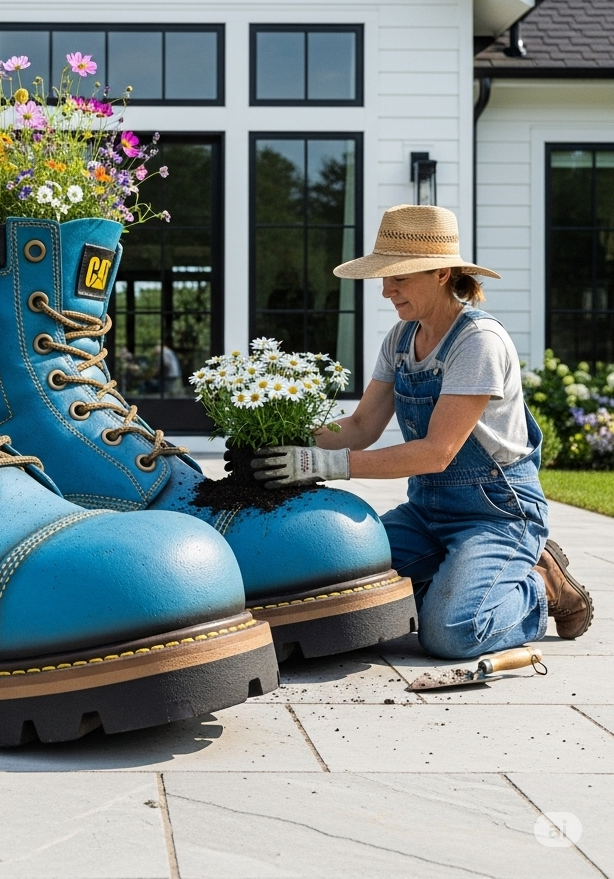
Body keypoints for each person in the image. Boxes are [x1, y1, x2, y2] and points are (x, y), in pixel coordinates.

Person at [251, 204, 592, 659]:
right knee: (336, 587)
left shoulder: (478, 342)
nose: (387, 290)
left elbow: (437, 452)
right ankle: (457, 580)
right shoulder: (400, 338)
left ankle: (539, 585)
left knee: (452, 632)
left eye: (399, 277)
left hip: (496, 515)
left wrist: (325, 464)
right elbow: (361, 426)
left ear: (441, 273)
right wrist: (285, 440)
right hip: (427, 513)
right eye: (384, 278)